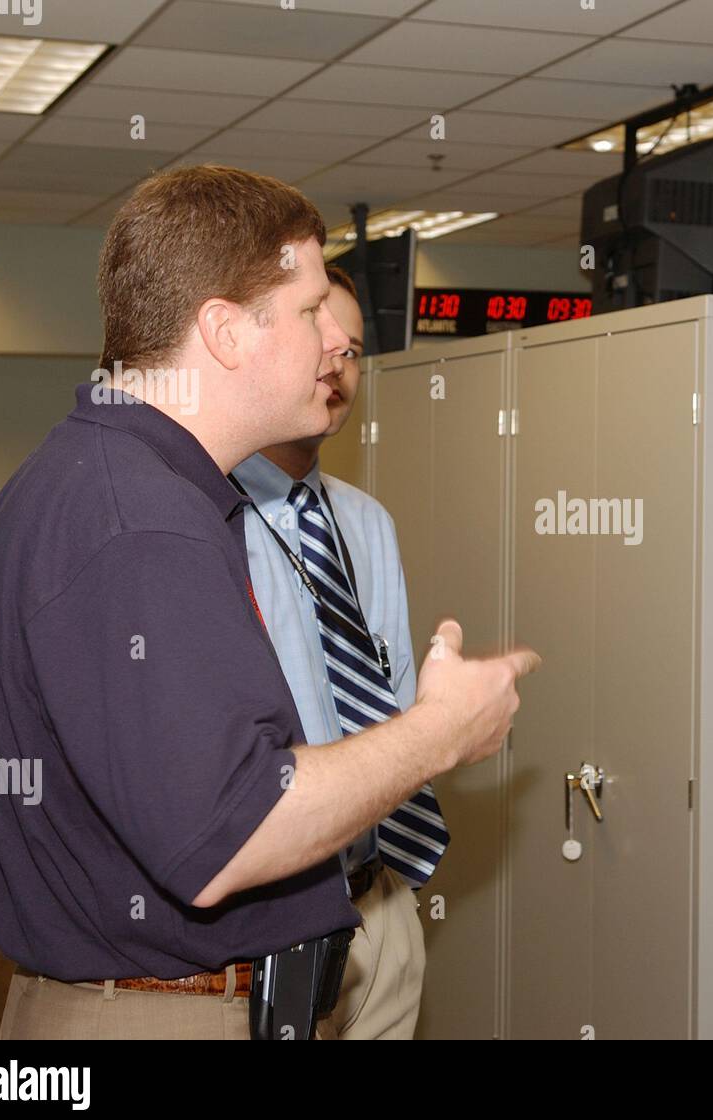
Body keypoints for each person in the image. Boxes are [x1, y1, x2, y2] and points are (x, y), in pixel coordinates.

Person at [0, 164, 538, 1040]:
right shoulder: (139, 523)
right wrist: (440, 733)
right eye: (308, 312)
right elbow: (235, 830)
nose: (334, 341)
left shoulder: (112, 484)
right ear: (224, 332)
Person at [230, 264, 431, 1039]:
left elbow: (393, 693)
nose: (336, 367)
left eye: (350, 352)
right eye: (319, 339)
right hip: (283, 910)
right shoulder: (215, 518)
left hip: (381, 895)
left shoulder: (367, 521)